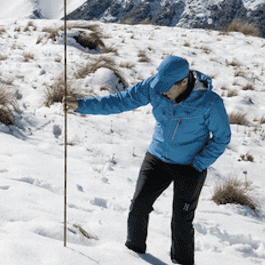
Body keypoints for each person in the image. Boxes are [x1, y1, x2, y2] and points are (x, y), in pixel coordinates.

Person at [66, 55, 230, 265]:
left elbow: (222, 137)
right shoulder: (154, 86)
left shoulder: (210, 103)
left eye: (166, 88)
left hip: (190, 167)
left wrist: (199, 163)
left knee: (181, 222)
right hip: (157, 158)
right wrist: (80, 105)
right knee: (138, 208)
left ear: (183, 82)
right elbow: (119, 101)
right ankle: (134, 256)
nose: (161, 91)